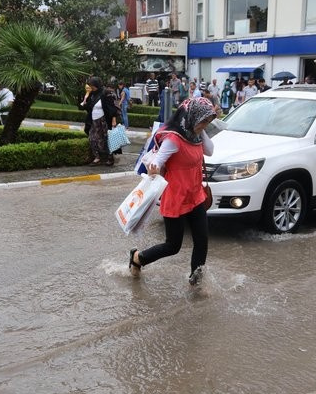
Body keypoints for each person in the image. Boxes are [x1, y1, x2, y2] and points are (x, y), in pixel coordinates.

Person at [128, 97, 217, 286]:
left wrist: (201, 129)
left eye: (208, 121)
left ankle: (196, 284)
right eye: (203, 120)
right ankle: (137, 258)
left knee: (202, 241)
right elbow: (156, 162)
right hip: (176, 197)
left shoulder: (195, 134)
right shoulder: (174, 139)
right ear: (191, 116)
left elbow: (210, 151)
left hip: (195, 195)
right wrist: (153, 167)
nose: (205, 124)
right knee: (173, 246)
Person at [80, 77, 120, 166]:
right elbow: (87, 107)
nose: (91, 88)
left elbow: (113, 107)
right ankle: (97, 157)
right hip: (93, 120)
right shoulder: (92, 94)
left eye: (92, 86)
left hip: (104, 120)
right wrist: (85, 99)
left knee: (106, 139)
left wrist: (114, 119)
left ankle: (109, 157)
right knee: (92, 138)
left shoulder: (106, 93)